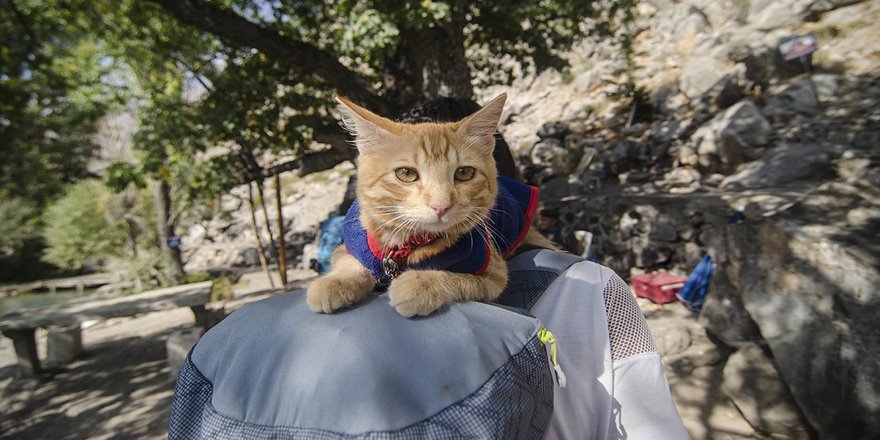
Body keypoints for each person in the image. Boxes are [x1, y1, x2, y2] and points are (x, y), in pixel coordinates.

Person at [171, 97, 688, 439]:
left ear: (489, 158)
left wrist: (441, 280)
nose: (440, 201)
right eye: (407, 174)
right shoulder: (594, 287)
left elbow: (492, 275)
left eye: (463, 175)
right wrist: (351, 273)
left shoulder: (482, 231)